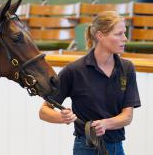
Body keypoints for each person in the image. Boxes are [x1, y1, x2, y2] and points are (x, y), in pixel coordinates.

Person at [39, 11, 141, 155]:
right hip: (86, 148)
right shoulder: (73, 70)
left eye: (125, 33)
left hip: (117, 148)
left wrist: (105, 124)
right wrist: (62, 117)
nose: (125, 39)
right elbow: (44, 111)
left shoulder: (127, 68)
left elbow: (127, 116)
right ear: (100, 36)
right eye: (118, 34)